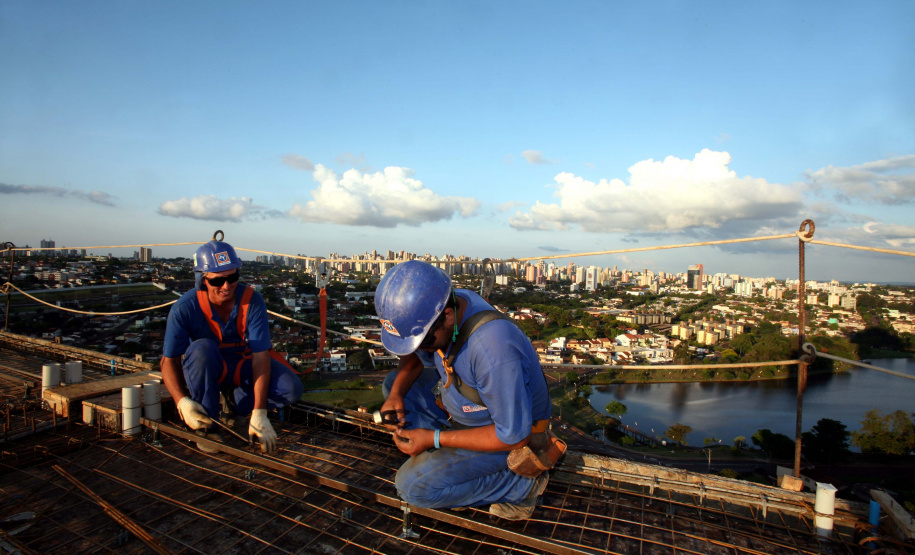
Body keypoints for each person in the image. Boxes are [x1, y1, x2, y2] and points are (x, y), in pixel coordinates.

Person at [375, 260, 552, 520]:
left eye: (424, 342)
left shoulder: (494, 349)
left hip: (507, 436)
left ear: (447, 316)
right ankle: (446, 455)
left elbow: (514, 437)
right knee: (395, 383)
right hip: (464, 410)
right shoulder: (452, 303)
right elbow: (414, 355)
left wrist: (434, 439)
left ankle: (521, 485)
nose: (422, 349)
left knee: (412, 488)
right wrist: (395, 396)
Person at [161, 239, 303, 453]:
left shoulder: (251, 300)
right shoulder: (185, 308)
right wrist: (181, 401)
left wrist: (259, 412)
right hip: (208, 367)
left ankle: (234, 403)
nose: (226, 286)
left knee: (291, 388)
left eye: (233, 277)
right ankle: (207, 425)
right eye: (218, 281)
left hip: (240, 364)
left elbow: (261, 357)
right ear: (203, 280)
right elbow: (168, 360)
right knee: (202, 350)